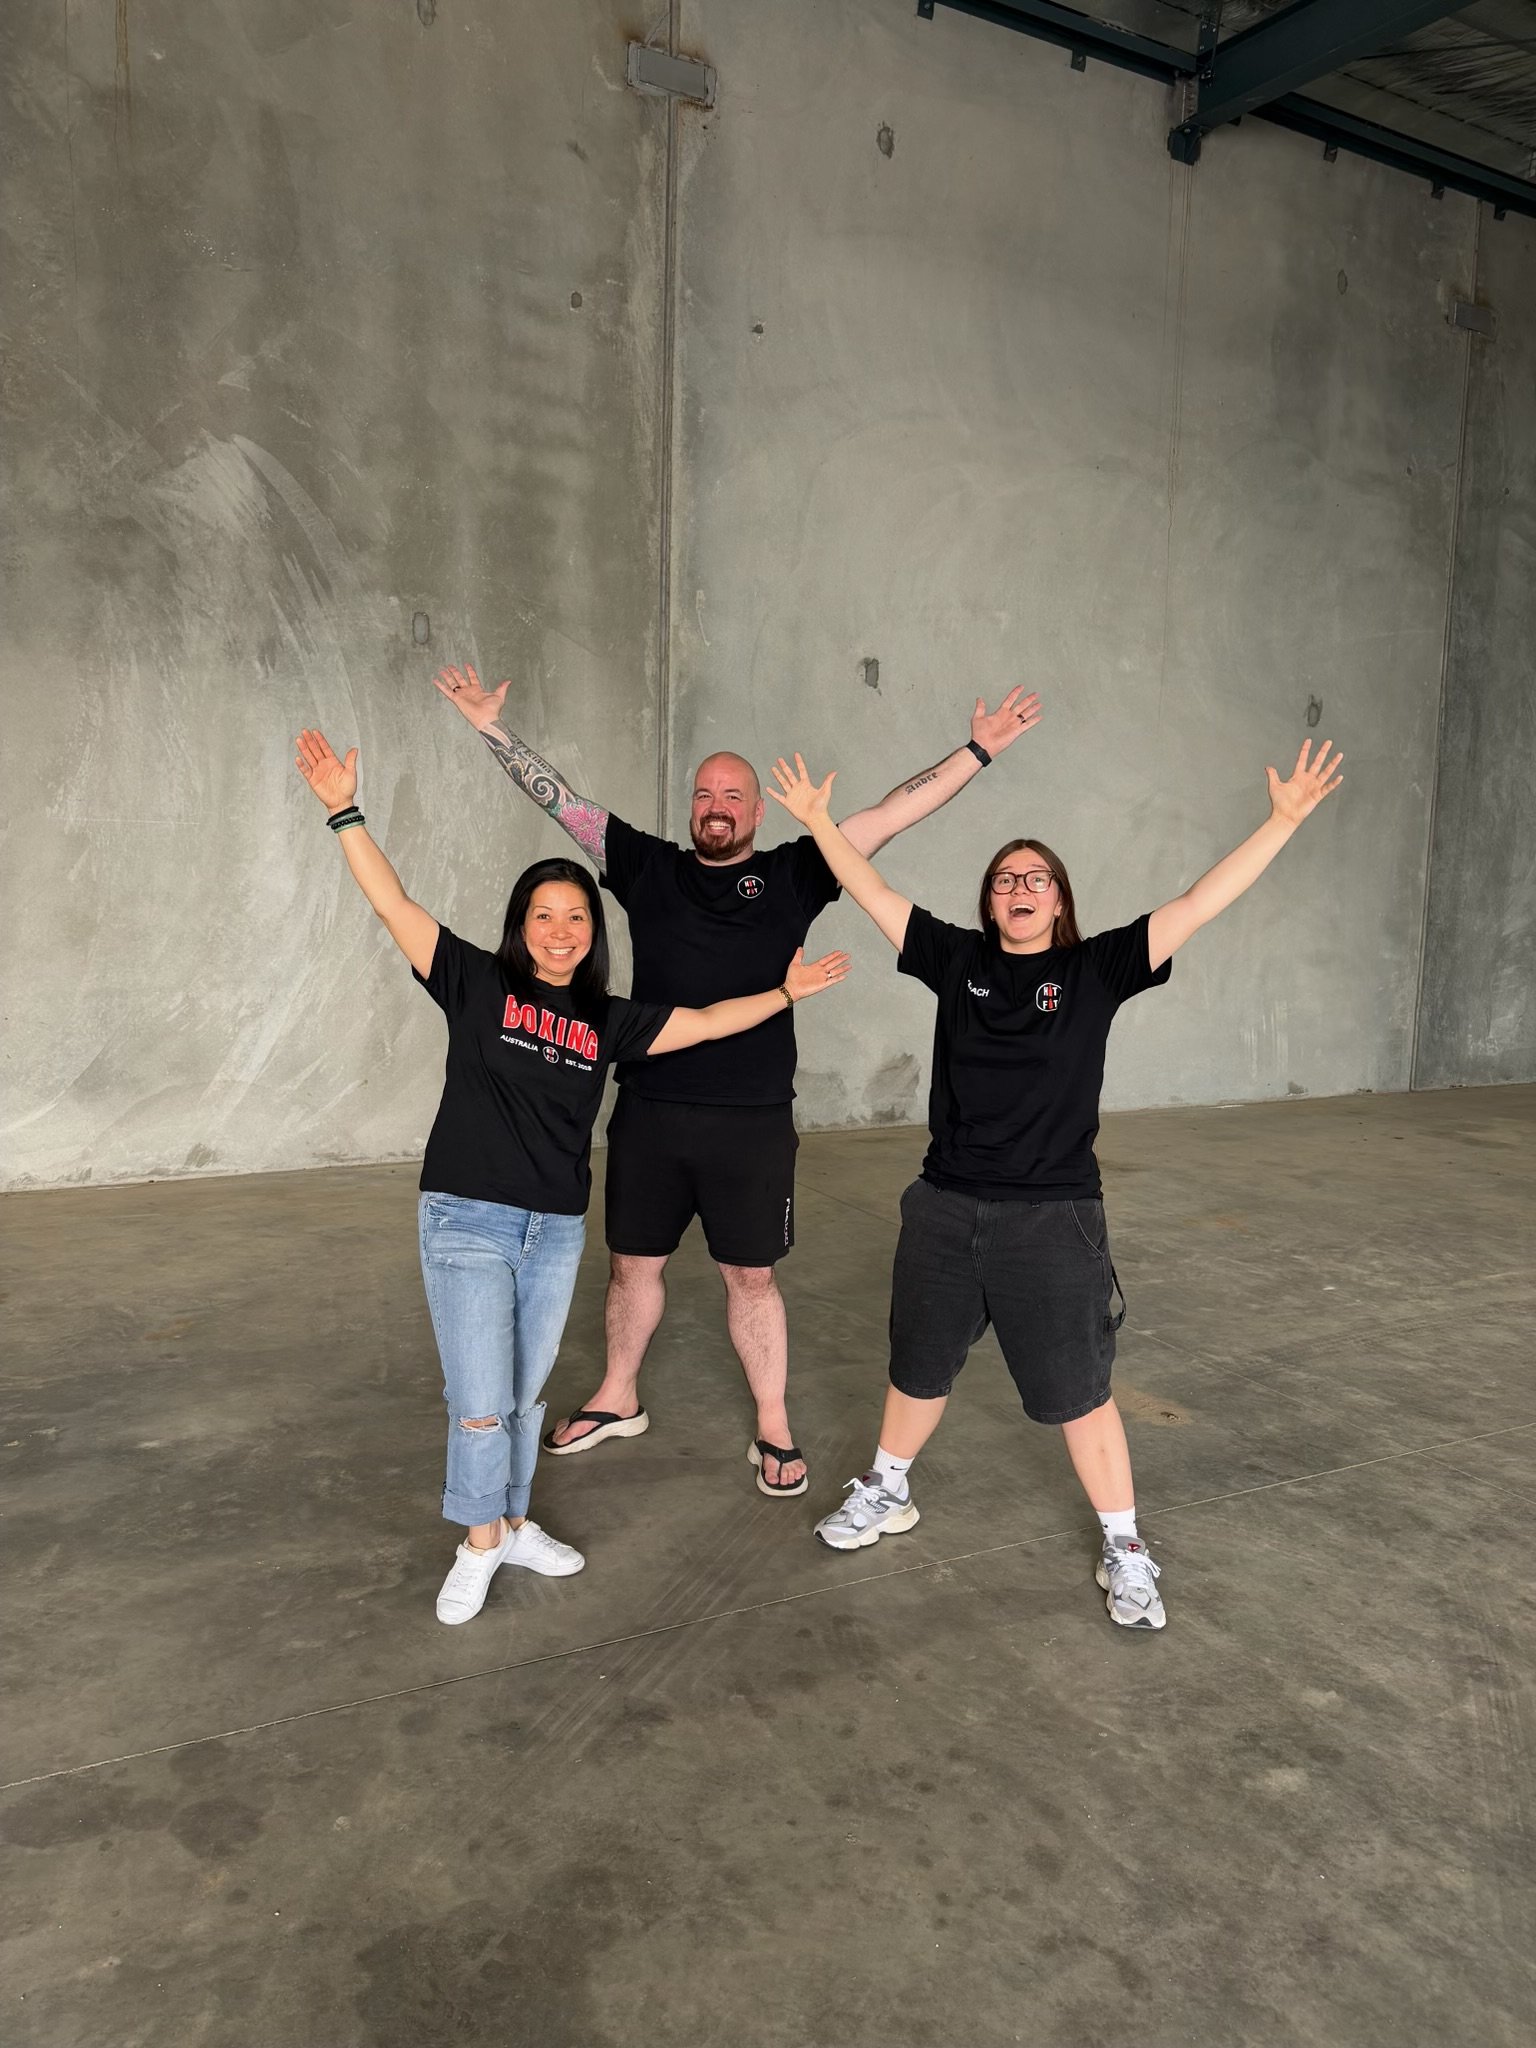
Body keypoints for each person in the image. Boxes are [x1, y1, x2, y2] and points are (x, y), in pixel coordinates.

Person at [768, 738, 1344, 1629]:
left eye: (1037, 878)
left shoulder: (1096, 970)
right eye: (1005, 879)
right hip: (945, 1205)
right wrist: (815, 822)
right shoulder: (956, 959)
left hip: (1053, 1218)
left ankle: (1125, 1545)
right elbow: (871, 889)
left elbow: (1199, 901)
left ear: (1060, 899)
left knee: (1080, 1391)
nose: (1020, 888)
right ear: (989, 901)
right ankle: (888, 1488)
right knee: (918, 1366)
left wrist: (1283, 822)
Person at [433, 662, 1042, 1498]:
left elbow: (892, 813)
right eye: (704, 794)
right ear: (693, 808)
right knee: (631, 1266)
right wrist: (487, 726)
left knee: (751, 1278)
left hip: (751, 1121)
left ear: (756, 811)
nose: (715, 806)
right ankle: (618, 1395)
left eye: (732, 796)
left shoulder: (797, 870)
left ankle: (773, 1422)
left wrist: (979, 749)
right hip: (649, 1111)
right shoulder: (647, 867)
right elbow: (560, 800)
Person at [293, 727, 850, 1624]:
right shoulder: (473, 982)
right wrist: (343, 813)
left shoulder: (608, 1020)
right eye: (544, 916)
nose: (560, 931)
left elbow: (708, 1022)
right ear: (521, 927)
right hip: (469, 1218)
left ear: (595, 934)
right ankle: (480, 1542)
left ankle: (512, 1524)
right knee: (480, 1404)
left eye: (577, 918)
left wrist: (789, 993)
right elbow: (392, 903)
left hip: (551, 1228)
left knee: (520, 1397)